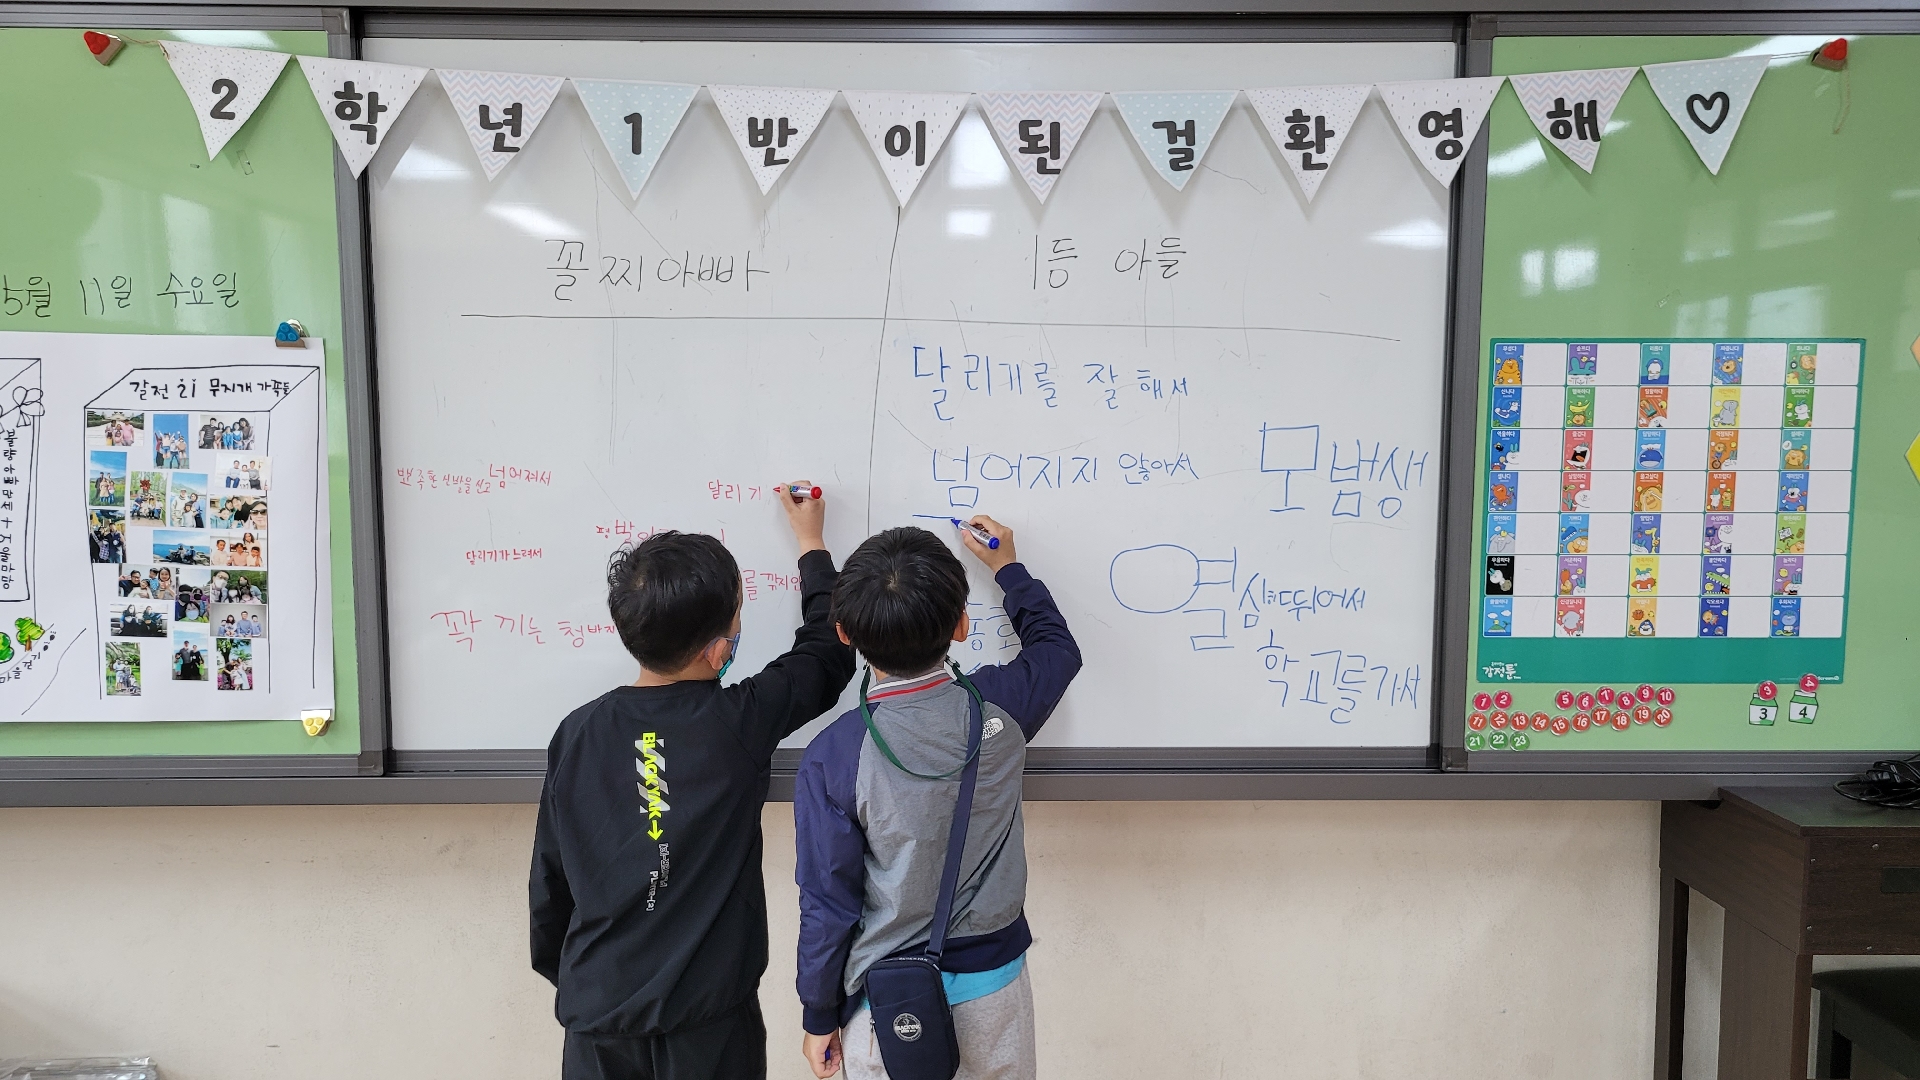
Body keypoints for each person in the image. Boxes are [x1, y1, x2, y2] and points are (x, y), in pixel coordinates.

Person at [530, 482, 856, 1080]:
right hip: (709, 1025)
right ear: (718, 650)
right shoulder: (739, 722)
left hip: (599, 1019)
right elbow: (826, 656)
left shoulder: (577, 732)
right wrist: (812, 544)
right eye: (739, 615)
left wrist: (587, 981)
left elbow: (550, 883)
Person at [794, 518, 1081, 1080]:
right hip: (994, 989)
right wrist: (1007, 566)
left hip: (887, 1005)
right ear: (961, 625)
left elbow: (827, 902)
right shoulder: (1001, 707)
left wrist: (818, 1013)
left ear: (844, 635)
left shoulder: (834, 754)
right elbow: (1057, 649)